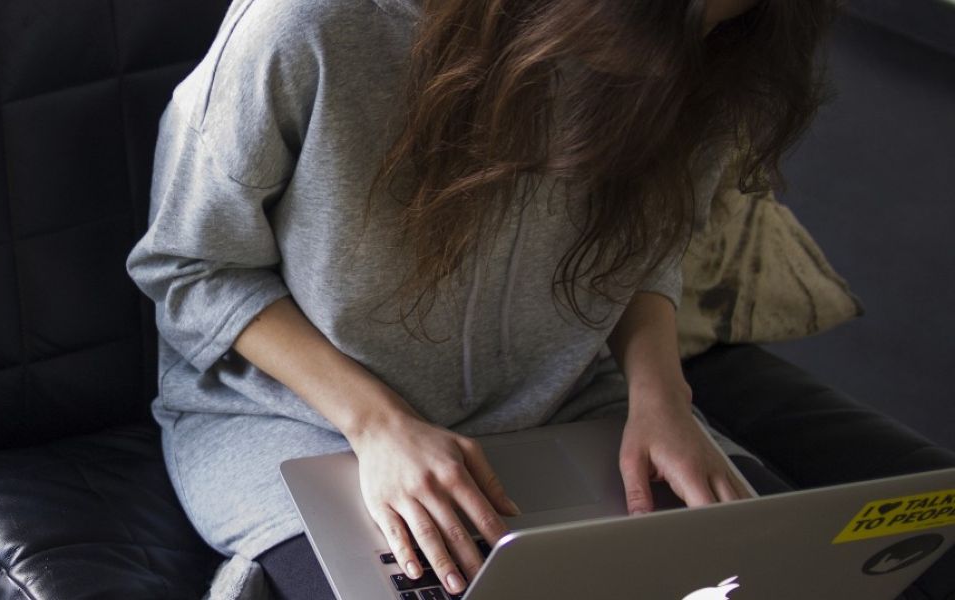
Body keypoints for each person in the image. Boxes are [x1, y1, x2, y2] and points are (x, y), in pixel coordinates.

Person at [126, 0, 835, 597]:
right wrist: (378, 425)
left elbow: (647, 248)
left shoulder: (714, 53)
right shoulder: (310, 24)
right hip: (301, 419)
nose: (669, 65)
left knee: (791, 575)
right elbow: (188, 266)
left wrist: (662, 396)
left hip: (568, 404)